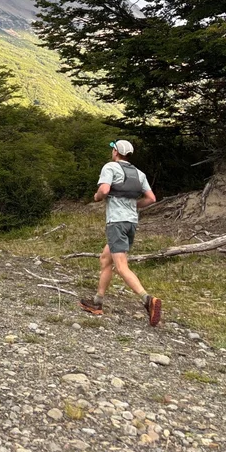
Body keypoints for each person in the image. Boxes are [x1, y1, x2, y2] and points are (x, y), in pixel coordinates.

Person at [80, 140, 161, 326]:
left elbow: (104, 189)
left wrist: (97, 197)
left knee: (121, 266)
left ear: (116, 151)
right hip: (131, 223)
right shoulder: (139, 174)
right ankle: (97, 302)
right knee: (105, 258)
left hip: (116, 222)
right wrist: (134, 206)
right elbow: (151, 198)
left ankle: (148, 300)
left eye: (113, 149)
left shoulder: (110, 167)